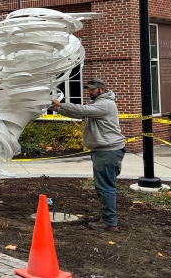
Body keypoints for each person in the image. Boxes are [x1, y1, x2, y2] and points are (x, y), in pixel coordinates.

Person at [50, 78, 125, 232]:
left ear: (102, 90)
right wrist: (58, 109)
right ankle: (106, 217)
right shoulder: (97, 103)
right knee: (103, 186)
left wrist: (61, 104)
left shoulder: (105, 104)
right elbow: (81, 113)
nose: (89, 91)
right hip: (104, 150)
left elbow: (83, 111)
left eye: (93, 89)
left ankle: (110, 222)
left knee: (105, 187)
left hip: (107, 151)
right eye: (89, 89)